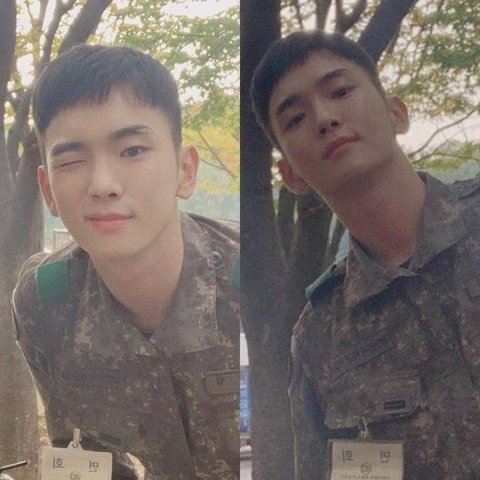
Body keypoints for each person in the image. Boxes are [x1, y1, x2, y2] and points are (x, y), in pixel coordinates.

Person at [251, 30, 480, 479]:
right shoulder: (320, 338)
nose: (324, 118)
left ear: (397, 113)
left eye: (340, 91)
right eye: (295, 118)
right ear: (291, 175)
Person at [12, 44, 239, 480]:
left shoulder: (252, 291)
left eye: (132, 150)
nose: (102, 184)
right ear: (48, 191)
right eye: (72, 160)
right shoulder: (46, 305)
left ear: (185, 171)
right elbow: (82, 460)